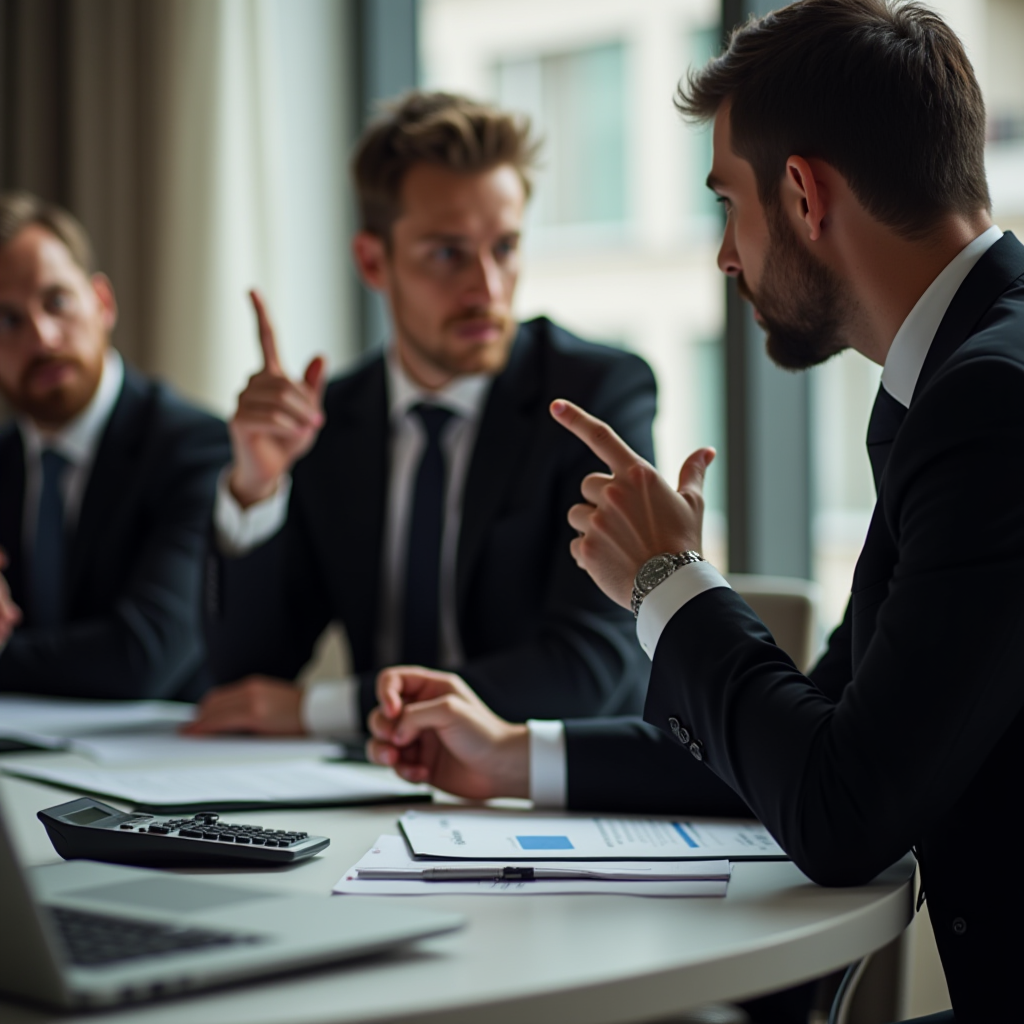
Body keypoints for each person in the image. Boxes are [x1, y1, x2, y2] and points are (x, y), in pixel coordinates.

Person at [365, 2, 1024, 1020]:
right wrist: (511, 753)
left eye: (727, 205)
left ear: (802, 193)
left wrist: (670, 583)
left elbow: (839, 812)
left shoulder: (989, 403)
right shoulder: (960, 381)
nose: (723, 256)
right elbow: (816, 739)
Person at [190, 91, 656, 739]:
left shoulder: (592, 399)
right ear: (373, 261)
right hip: (374, 792)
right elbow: (246, 680)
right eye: (448, 253)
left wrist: (328, 710)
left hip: (543, 798)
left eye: (505, 247)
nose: (488, 288)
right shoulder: (331, 421)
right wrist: (255, 491)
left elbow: (593, 669)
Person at [0, 192, 230, 700]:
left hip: (168, 764)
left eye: (56, 301)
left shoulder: (195, 450)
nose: (42, 337)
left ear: (102, 303)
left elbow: (141, 658)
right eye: (7, 321)